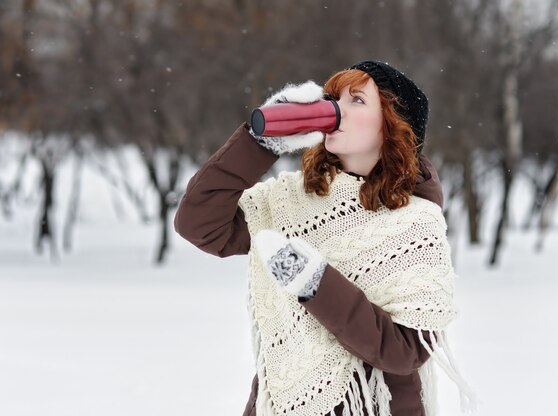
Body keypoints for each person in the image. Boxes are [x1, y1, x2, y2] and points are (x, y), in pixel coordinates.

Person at [174, 61, 479, 416]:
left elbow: (405, 351)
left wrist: (313, 282)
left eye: (357, 100)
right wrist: (260, 143)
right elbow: (199, 224)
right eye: (333, 97)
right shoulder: (294, 200)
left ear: (392, 125)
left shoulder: (416, 222)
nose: (335, 108)